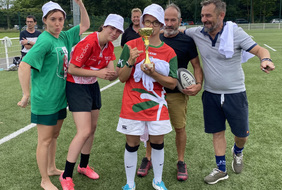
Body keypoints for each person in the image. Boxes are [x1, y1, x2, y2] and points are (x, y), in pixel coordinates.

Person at [183, 0, 275, 185]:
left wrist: (265, 59)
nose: (204, 19)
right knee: (217, 132)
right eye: (202, 15)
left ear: (221, 15)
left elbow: (259, 49)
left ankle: (238, 152)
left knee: (242, 135)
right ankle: (221, 169)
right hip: (211, 94)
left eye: (208, 15)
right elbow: (174, 30)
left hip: (235, 93)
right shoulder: (197, 32)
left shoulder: (235, 33)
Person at [17, 1, 90, 190]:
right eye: (53, 19)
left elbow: (85, 25)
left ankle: (50, 168)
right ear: (45, 21)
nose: (57, 23)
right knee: (45, 140)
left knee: (55, 136)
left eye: (60, 19)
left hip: (60, 98)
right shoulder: (45, 40)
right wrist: (26, 94)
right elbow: (24, 65)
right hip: (46, 99)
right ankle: (44, 180)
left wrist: (81, 4)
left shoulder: (63, 37)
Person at [136, 3, 203, 181]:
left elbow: (196, 65)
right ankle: (148, 157)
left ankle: (181, 161)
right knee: (150, 128)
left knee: (179, 128)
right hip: (154, 93)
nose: (169, 23)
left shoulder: (187, 41)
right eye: (166, 19)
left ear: (180, 21)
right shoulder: (152, 39)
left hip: (176, 94)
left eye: (173, 20)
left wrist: (198, 84)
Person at [116, 3, 178, 190]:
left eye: (154, 23)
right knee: (132, 143)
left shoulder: (169, 52)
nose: (150, 26)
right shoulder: (130, 46)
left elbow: (173, 83)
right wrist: (130, 62)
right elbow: (121, 78)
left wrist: (154, 75)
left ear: (161, 25)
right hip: (132, 104)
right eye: (146, 22)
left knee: (158, 142)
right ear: (141, 23)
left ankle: (158, 180)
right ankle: (129, 183)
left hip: (157, 106)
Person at [59, 14, 123, 190]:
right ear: (104, 26)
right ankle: (66, 175)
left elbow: (110, 75)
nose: (115, 32)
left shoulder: (109, 46)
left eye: (118, 31)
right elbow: (72, 69)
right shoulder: (89, 42)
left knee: (92, 129)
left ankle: (83, 166)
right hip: (76, 86)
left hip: (91, 86)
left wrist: (129, 62)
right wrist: (98, 73)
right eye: (112, 28)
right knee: (84, 130)